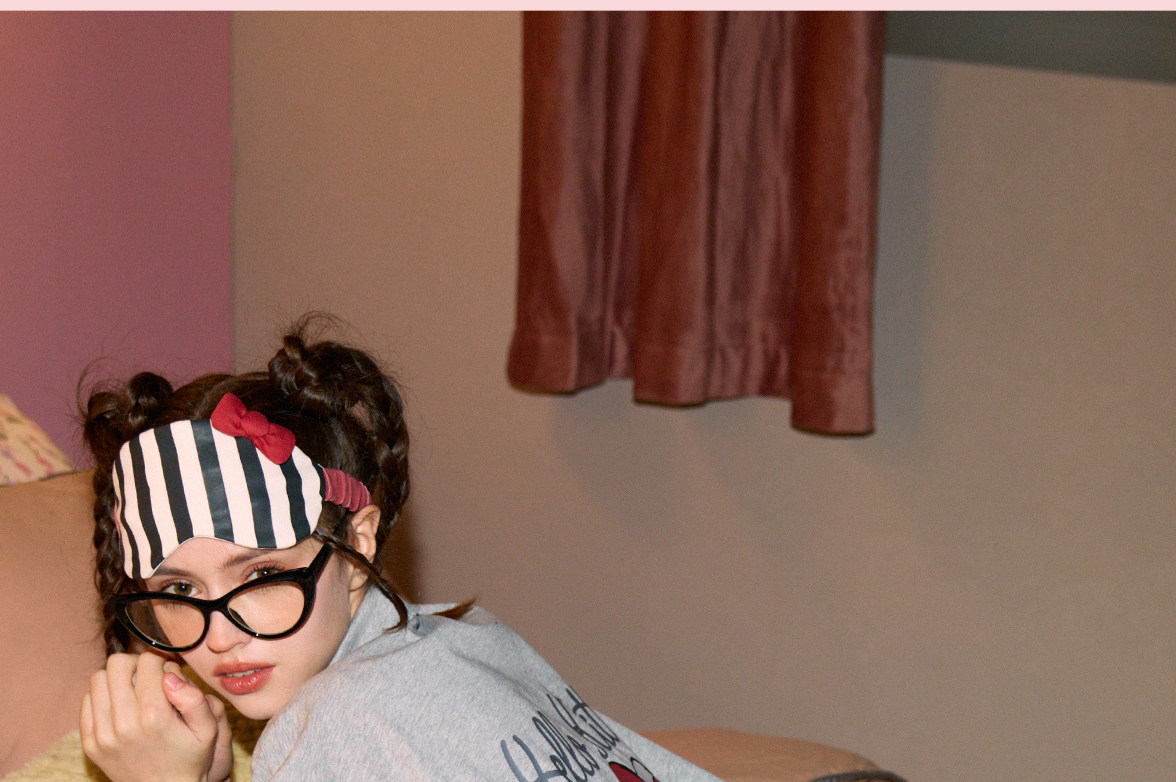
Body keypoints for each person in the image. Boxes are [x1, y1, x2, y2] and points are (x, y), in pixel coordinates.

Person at [78, 319, 724, 782]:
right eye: (180, 589)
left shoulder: (333, 726)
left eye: (263, 573)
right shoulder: (471, 637)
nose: (220, 638)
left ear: (357, 542)